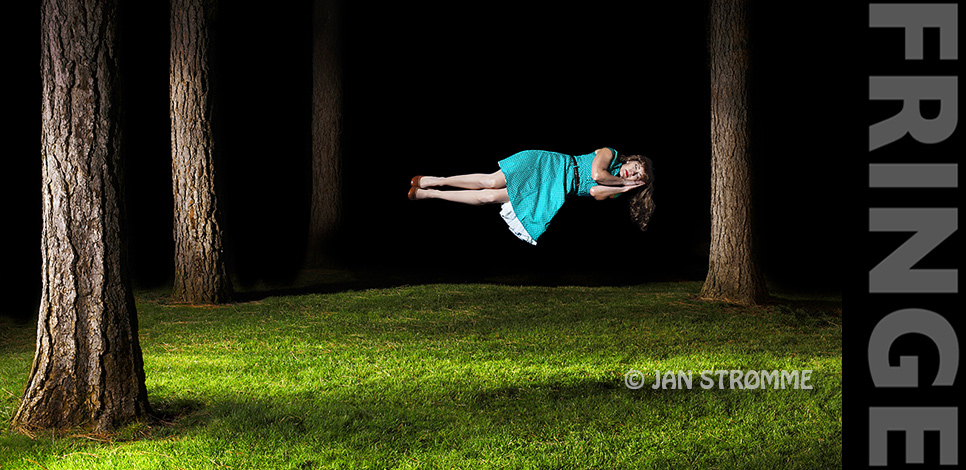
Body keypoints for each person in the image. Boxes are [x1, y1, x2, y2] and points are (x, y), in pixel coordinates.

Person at [408, 147, 655, 245]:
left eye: (637, 176)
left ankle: (431, 196)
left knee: (488, 198)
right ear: (630, 160)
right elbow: (596, 174)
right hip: (546, 166)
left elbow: (594, 191)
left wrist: (624, 189)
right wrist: (623, 180)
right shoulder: (610, 153)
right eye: (635, 167)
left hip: (552, 191)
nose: (631, 173)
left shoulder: (617, 189)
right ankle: (435, 180)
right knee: (491, 180)